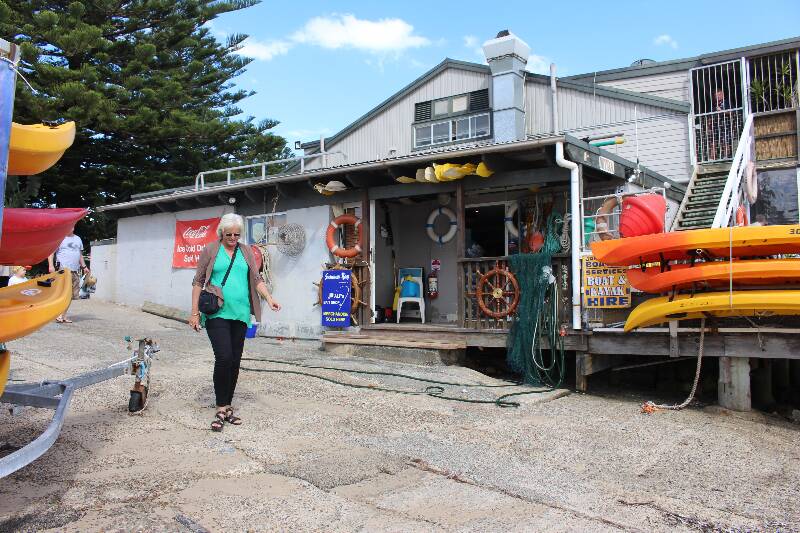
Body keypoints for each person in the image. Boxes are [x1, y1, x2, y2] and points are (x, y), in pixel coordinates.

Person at [190, 213, 281, 432]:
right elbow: (198, 281)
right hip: (217, 312)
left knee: (234, 360)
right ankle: (220, 407)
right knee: (224, 357)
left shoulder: (246, 251)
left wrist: (269, 299)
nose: (232, 238)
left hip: (240, 313)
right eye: (229, 234)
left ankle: (228, 406)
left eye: (236, 234)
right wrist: (194, 313)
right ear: (221, 232)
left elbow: (257, 279)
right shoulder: (211, 250)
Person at [48, 230, 89, 323]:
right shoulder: (59, 237)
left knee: (70, 295)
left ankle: (63, 315)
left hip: (74, 271)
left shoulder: (78, 239)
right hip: (62, 270)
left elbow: (80, 255)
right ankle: (58, 314)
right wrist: (51, 266)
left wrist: (84, 267)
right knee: (63, 293)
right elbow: (51, 252)